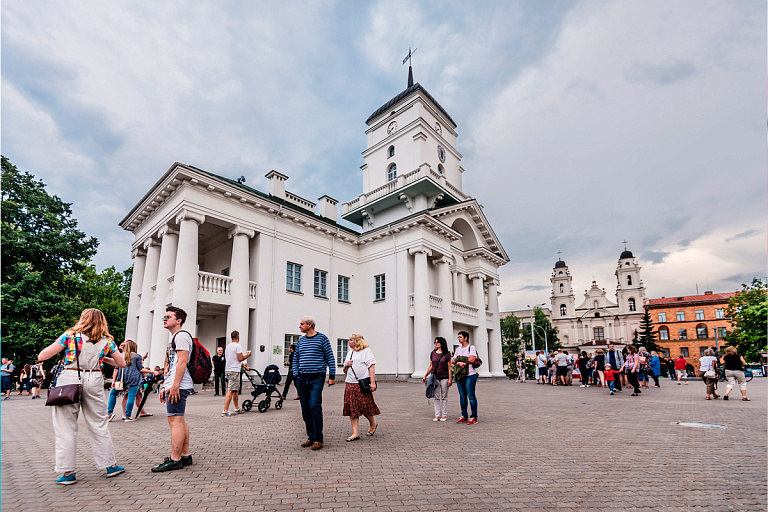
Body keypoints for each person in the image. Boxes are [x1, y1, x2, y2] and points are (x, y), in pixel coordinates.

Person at [36, 308, 126, 485]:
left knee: (65, 425)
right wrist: (102, 358)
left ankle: (68, 472)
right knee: (98, 423)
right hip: (94, 377)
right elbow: (121, 363)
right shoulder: (107, 340)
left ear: (83, 319)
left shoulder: (70, 335)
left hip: (70, 377)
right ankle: (110, 465)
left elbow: (42, 356)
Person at [151, 306, 195, 472]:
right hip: (176, 383)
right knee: (179, 420)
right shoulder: (176, 337)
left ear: (178, 320)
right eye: (164, 316)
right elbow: (171, 364)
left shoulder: (181, 336)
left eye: (168, 317)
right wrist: (165, 385)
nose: (164, 319)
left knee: (175, 421)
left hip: (179, 385)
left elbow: (182, 362)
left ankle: (175, 459)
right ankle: (185, 455)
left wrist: (175, 386)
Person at [293, 316, 335, 450]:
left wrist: (332, 376)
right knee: (305, 409)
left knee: (315, 405)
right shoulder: (301, 341)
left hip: (317, 378)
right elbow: (295, 359)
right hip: (302, 379)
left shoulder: (322, 339)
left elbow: (330, 357)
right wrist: (296, 375)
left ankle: (318, 439)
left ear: (309, 325)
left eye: (302, 324)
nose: (299, 326)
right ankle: (310, 437)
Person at [343, 334, 380, 441]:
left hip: (362, 384)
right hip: (350, 384)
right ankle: (355, 433)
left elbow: (371, 367)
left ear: (357, 341)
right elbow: (345, 371)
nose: (349, 342)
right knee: (352, 408)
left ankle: (373, 423)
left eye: (351, 340)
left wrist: (372, 383)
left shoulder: (366, 351)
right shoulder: (350, 353)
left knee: (365, 406)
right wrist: (346, 365)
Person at [422, 337, 452, 421]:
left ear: (442, 343)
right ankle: (437, 415)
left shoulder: (447, 354)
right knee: (436, 397)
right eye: (435, 342)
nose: (436, 344)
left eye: (438, 342)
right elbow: (431, 366)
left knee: (444, 397)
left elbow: (449, 367)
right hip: (435, 378)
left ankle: (444, 415)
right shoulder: (433, 353)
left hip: (445, 377)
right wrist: (425, 375)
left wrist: (450, 379)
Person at [222, 330, 251, 416]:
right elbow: (240, 358)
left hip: (228, 369)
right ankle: (225, 410)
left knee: (235, 390)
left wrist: (244, 366)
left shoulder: (228, 347)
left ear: (231, 337)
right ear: (238, 337)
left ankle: (237, 407)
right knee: (231, 390)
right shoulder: (238, 346)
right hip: (234, 371)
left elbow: (233, 360)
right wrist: (248, 355)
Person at [452, 331, 478, 424]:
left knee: (471, 396)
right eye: (458, 337)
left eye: (460, 337)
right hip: (460, 374)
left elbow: (472, 359)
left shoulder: (471, 347)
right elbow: (453, 361)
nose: (459, 339)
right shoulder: (458, 349)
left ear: (466, 338)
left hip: (470, 375)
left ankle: (474, 417)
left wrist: (460, 360)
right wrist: (460, 363)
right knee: (462, 396)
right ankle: (464, 415)